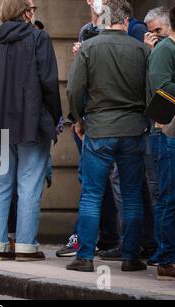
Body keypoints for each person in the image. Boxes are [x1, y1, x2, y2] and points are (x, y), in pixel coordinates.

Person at [66, 0, 150, 273]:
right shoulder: (142, 50)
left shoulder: (89, 48)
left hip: (99, 129)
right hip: (133, 129)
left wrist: (78, 119)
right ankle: (131, 256)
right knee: (133, 195)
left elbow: (74, 90)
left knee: (91, 194)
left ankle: (86, 257)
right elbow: (152, 91)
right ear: (125, 21)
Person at [0, 0, 62, 262]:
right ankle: (26, 247)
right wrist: (55, 117)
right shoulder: (39, 39)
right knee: (29, 186)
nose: (33, 12)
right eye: (32, 8)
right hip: (32, 124)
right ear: (26, 13)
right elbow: (49, 83)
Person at [57, 0, 121, 258]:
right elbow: (77, 83)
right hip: (87, 118)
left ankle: (87, 241)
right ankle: (104, 237)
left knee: (98, 185)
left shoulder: (127, 30)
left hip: (106, 120)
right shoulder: (87, 28)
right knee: (95, 183)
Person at [148, 2, 175, 280]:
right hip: (168, 135)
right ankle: (166, 258)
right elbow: (160, 89)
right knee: (170, 198)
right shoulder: (165, 50)